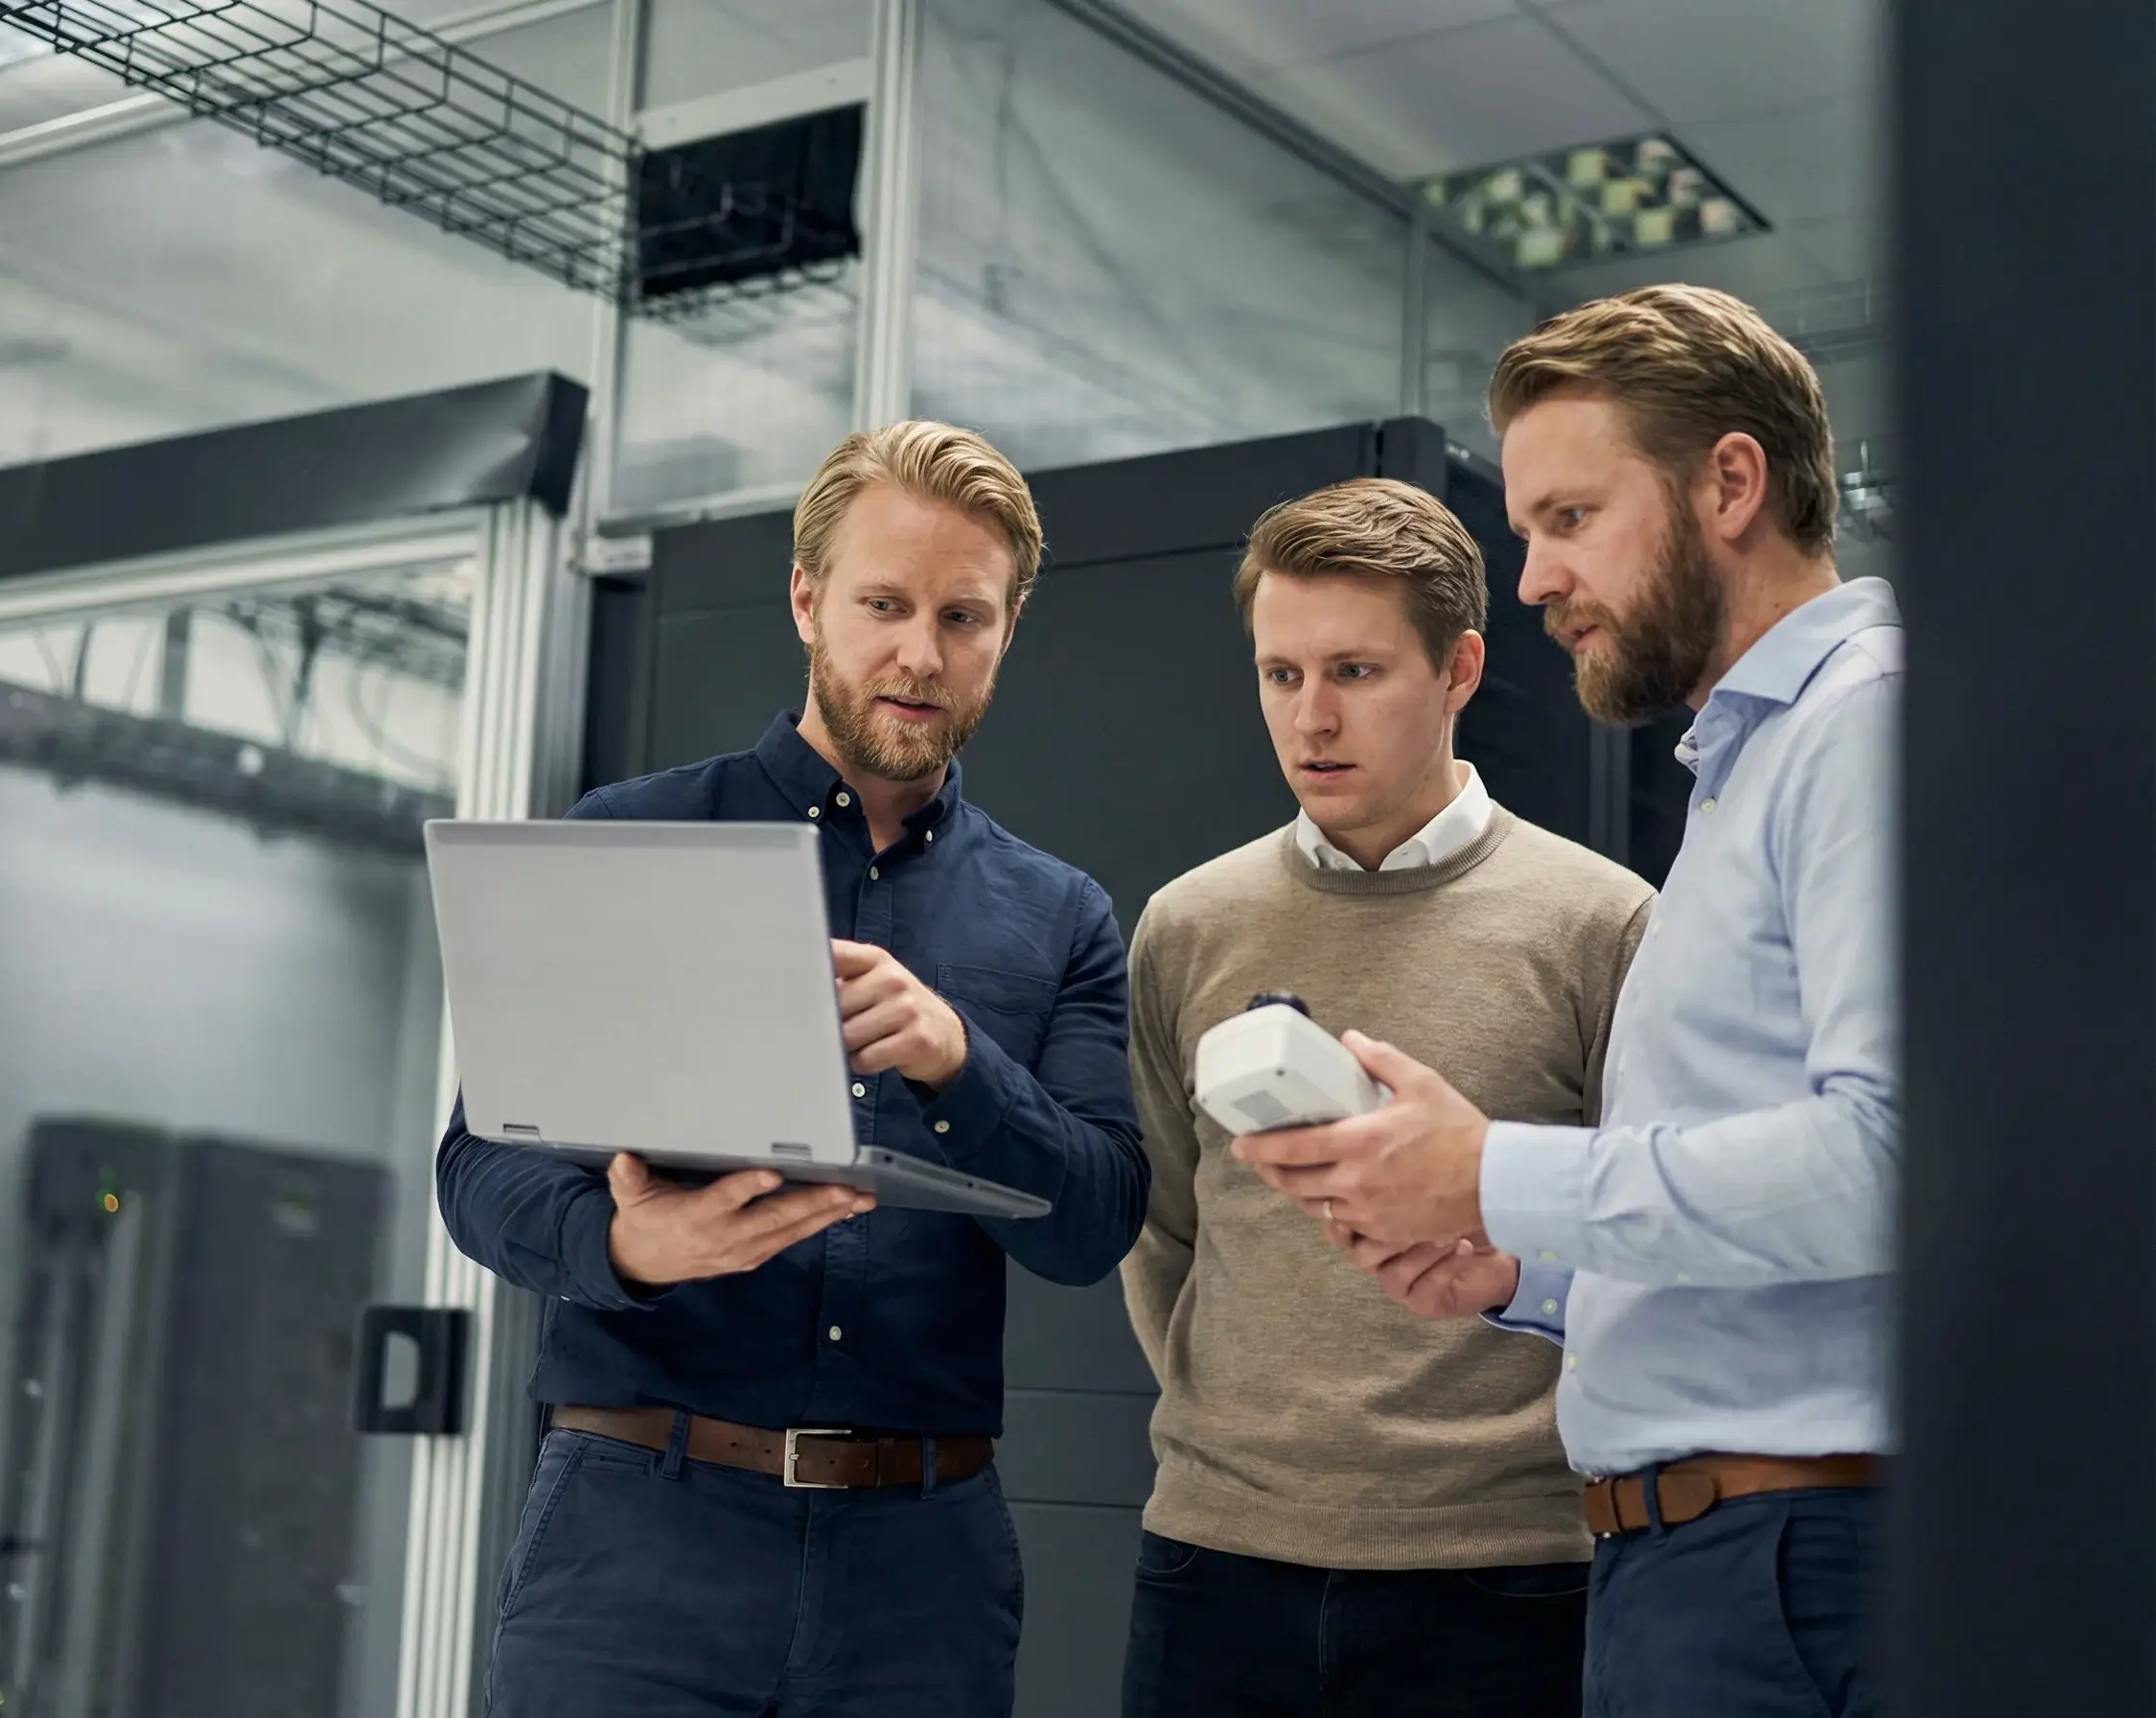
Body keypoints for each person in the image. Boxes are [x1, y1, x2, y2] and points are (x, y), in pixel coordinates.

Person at [1234, 286, 1898, 1718]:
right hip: (1708, 1567)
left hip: (1792, 1570)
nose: (1531, 580)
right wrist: (1522, 1270)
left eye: (1570, 519)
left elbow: (1899, 1162)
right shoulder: (1746, 773)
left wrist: (1495, 1171)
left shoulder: (1865, 731)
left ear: (1733, 481)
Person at [436, 419, 1151, 1718]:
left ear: (1008, 632)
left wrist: (959, 1064)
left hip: (922, 1574)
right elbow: (480, 1168)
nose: (920, 655)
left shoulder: (1061, 917)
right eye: (884, 604)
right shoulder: (629, 841)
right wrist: (631, 1246)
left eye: (964, 617)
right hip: (635, 1548)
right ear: (808, 599)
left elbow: (1097, 1221)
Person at [1118, 477, 1654, 1718]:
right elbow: (1162, 1231)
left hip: (1507, 1581)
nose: (1310, 719)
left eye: (1355, 672)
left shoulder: (1604, 925)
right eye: (1279, 675)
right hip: (1214, 1565)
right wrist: (1247, 1426)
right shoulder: (1186, 927)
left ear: (1460, 668)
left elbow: (1643, 1239)